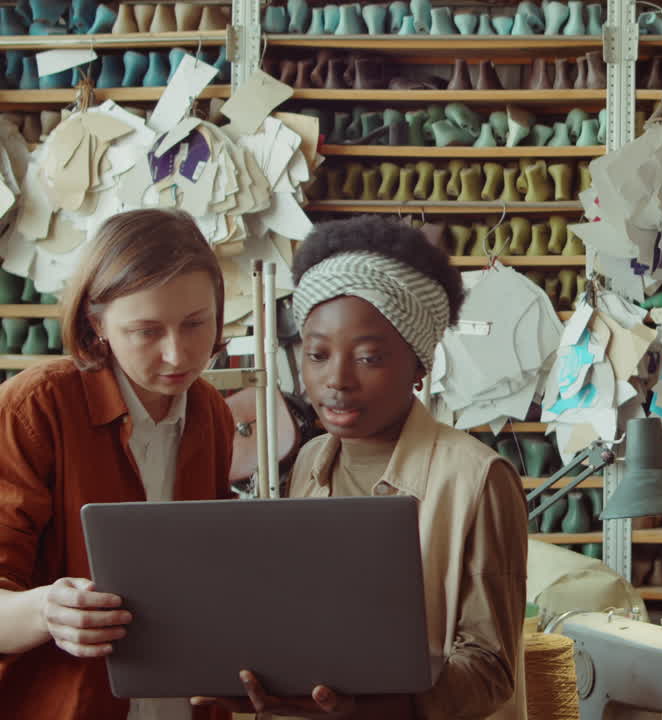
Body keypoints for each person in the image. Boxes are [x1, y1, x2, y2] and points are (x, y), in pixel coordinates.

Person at [194, 216, 528, 719]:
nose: (337, 380)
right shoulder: (311, 462)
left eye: (369, 358)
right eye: (317, 354)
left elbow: (489, 669)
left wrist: (371, 709)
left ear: (419, 365)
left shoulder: (478, 479)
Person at [0, 208, 236, 720]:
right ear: (96, 323)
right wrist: (47, 611)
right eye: (146, 331)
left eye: (196, 324)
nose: (178, 355)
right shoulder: (36, 407)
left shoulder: (210, 412)